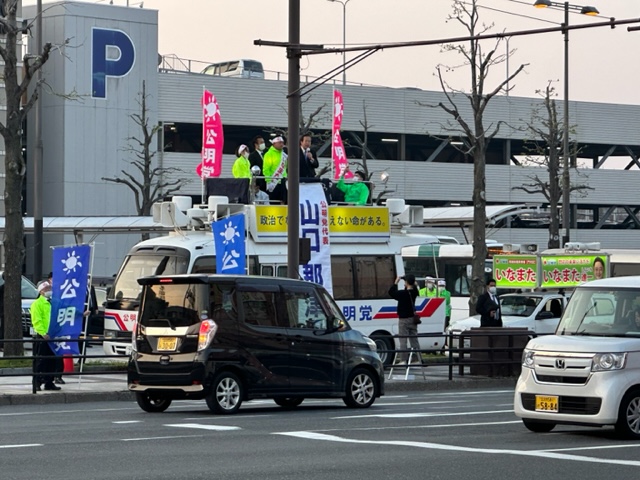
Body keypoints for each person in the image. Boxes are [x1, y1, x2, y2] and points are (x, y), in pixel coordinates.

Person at [30, 281, 61, 391]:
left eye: (50, 288)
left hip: (53, 335)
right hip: (43, 336)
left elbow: (66, 310)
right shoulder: (37, 304)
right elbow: (36, 321)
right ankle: (37, 382)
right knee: (41, 360)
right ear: (41, 291)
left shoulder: (54, 302)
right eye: (47, 289)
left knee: (52, 360)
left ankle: (49, 382)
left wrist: (81, 313)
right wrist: (43, 333)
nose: (49, 291)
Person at [388, 274, 420, 364]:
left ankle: (404, 360)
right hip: (412, 319)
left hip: (403, 320)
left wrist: (396, 282)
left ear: (406, 283)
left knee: (403, 340)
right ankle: (418, 358)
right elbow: (414, 288)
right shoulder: (414, 293)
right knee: (414, 339)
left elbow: (391, 292)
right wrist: (413, 284)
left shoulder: (402, 294)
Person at [47, 272, 65, 385]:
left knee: (59, 353)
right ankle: (44, 378)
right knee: (47, 356)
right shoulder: (44, 295)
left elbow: (66, 307)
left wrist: (81, 314)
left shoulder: (60, 293)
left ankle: (58, 376)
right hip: (46, 331)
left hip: (58, 328)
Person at [263, 136, 288, 204]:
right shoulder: (269, 154)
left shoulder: (284, 154)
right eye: (279, 142)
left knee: (286, 203)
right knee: (274, 203)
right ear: (274, 144)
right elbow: (266, 169)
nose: (281, 144)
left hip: (284, 182)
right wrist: (269, 181)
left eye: (282, 142)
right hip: (274, 183)